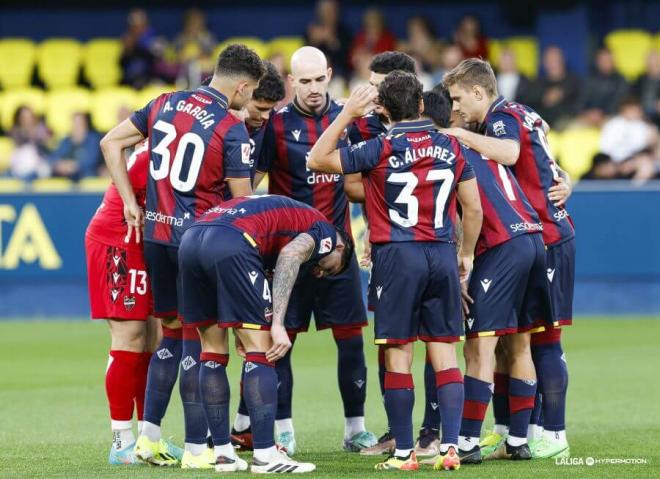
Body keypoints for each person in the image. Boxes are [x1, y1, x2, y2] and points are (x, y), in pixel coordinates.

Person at [307, 71, 483, 472]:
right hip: (440, 253)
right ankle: (449, 447)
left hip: (396, 257)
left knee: (399, 355)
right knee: (445, 354)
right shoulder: (450, 145)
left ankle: (404, 453)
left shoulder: (378, 147)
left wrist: (347, 114)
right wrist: (466, 254)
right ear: (422, 105)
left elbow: (317, 158)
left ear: (382, 109)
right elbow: (472, 208)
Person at [100, 43, 264, 468]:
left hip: (155, 235)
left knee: (170, 332)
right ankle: (198, 448)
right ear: (242, 86)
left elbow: (110, 142)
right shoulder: (230, 128)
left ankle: (147, 438)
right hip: (198, 242)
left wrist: (130, 203)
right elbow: (241, 204)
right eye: (252, 94)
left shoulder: (164, 102)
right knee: (203, 338)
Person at [442, 58, 575, 459]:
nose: (457, 108)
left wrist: (454, 134)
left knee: (544, 341)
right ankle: (515, 432)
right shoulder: (521, 111)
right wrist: (562, 177)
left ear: (480, 93)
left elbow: (513, 151)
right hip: (538, 232)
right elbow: (542, 141)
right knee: (512, 341)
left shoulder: (500, 121)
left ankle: (553, 434)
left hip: (546, 235)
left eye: (459, 98)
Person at [252, 46, 377, 455]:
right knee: (280, 341)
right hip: (287, 253)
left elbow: (370, 180)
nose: (311, 88)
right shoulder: (274, 126)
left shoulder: (352, 121)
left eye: (318, 79)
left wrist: (375, 229)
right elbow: (249, 182)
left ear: (329, 74)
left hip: (337, 251)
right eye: (302, 81)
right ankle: (284, 430)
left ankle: (355, 429)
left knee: (351, 341)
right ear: (291, 82)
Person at [423, 88, 552, 462]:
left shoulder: (445, 151)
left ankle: (465, 443)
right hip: (533, 237)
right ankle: (517, 440)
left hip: (501, 245)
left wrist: (464, 261)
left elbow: (470, 211)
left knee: (478, 345)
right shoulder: (486, 143)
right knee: (520, 345)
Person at [180, 194, 353, 473]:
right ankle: (265, 455)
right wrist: (278, 324)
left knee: (211, 350)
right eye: (330, 267)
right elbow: (291, 254)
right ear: (340, 246)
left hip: (191, 240)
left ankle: (223, 454)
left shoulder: (280, 215)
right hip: (233, 240)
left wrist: (241, 327)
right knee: (261, 352)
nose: (320, 273)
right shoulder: (325, 231)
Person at [349, 51, 444, 459]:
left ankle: (431, 432)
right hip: (390, 241)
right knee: (390, 342)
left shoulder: (433, 120)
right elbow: (350, 186)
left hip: (428, 241)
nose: (370, 91)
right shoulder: (364, 127)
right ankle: (398, 431)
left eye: (377, 84)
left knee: (436, 341)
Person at [85, 142, 163, 465]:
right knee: (129, 338)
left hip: (144, 241)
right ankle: (121, 441)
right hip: (117, 237)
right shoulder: (163, 142)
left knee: (151, 339)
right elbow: (110, 143)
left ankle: (147, 439)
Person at [528, 46, 580, 128]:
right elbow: (529, 106)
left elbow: (579, 105)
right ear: (543, 63)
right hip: (542, 126)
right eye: (548, 60)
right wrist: (544, 98)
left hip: (568, 125)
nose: (552, 64)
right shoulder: (536, 84)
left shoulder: (574, 81)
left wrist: (561, 94)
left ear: (562, 61)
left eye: (555, 60)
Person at [579, 47, 629, 125]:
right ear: (597, 62)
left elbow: (618, 102)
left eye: (608, 60)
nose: (605, 62)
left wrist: (602, 114)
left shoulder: (621, 80)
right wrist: (587, 113)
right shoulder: (589, 79)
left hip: (610, 117)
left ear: (613, 61)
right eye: (602, 60)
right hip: (587, 117)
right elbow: (580, 101)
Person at [305, 0, 353, 78]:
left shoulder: (344, 33)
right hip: (314, 75)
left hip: (338, 76)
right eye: (324, 11)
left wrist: (332, 41)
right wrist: (313, 43)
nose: (327, 14)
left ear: (337, 12)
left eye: (330, 10)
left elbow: (346, 61)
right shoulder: (312, 31)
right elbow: (304, 58)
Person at [50, 113, 102, 180]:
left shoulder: (93, 139)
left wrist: (75, 166)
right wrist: (61, 165)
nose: (77, 126)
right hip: (66, 175)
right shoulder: (66, 140)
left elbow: (92, 160)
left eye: (80, 122)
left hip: (86, 175)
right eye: (75, 122)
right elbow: (55, 156)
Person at [9, 106, 51, 180]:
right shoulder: (15, 131)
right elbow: (18, 141)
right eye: (24, 117)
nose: (27, 119)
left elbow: (48, 141)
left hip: (39, 164)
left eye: (29, 116)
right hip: (21, 165)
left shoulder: (40, 128)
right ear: (19, 119)